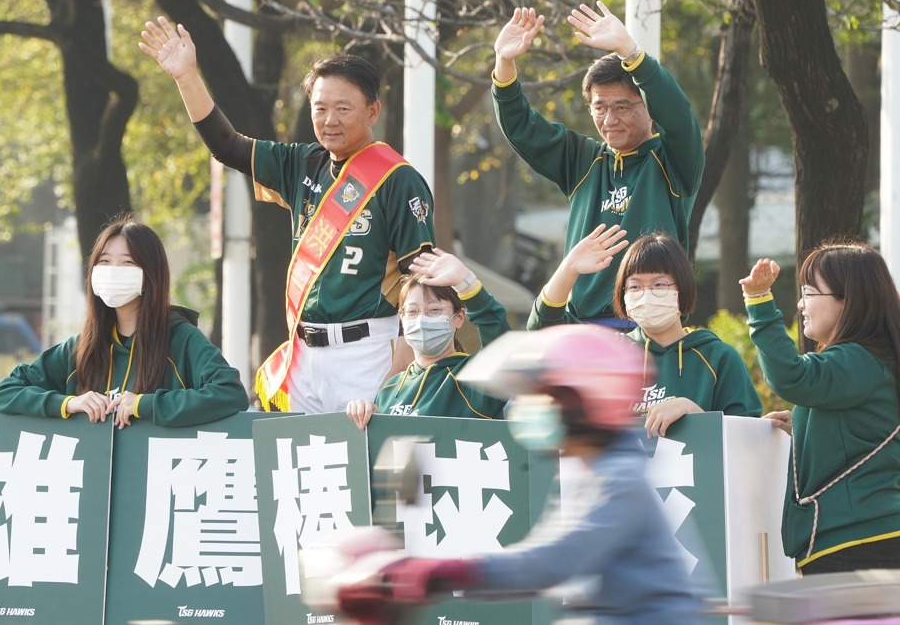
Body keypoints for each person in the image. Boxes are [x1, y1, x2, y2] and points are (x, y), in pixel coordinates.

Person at [140, 17, 435, 415]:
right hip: (304, 354)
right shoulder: (303, 162)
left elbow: (420, 284)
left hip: (368, 356)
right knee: (297, 472)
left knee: (370, 474)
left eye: (343, 108)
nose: (330, 120)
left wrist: (396, 383)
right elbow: (228, 146)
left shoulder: (398, 180)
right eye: (321, 108)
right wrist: (187, 77)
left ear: (372, 111)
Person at [319, 324, 703, 624]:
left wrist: (439, 569)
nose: (532, 408)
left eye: (547, 397)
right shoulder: (592, 473)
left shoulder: (619, 481)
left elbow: (548, 562)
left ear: (586, 402)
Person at [493, 2, 704, 326]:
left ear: (649, 107)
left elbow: (679, 116)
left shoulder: (672, 159)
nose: (609, 119)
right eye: (599, 107)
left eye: (622, 107)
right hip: (583, 329)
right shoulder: (583, 160)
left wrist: (630, 52)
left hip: (651, 326)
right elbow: (522, 127)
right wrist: (505, 62)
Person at [0, 215, 248, 427]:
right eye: (104, 261)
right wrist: (68, 404)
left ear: (150, 275)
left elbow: (230, 393)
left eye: (127, 263)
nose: (113, 271)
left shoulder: (181, 340)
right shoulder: (82, 348)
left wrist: (144, 405)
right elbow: (4, 393)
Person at [740, 243, 900, 574]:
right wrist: (803, 424)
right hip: (867, 537)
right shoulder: (872, 361)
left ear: (848, 301)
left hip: (857, 543)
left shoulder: (856, 360)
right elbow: (858, 434)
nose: (800, 303)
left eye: (810, 292)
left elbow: (790, 376)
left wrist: (759, 302)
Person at [531, 227, 761, 437]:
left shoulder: (719, 358)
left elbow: (746, 442)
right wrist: (568, 268)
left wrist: (694, 413)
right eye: (635, 286)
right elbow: (546, 333)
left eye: (659, 284)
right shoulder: (611, 355)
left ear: (682, 288)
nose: (646, 294)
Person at [344, 249, 509, 428]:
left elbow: (501, 344)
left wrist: (467, 284)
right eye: (412, 311)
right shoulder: (389, 390)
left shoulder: (471, 378)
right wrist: (365, 414)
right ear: (402, 319)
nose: (421, 320)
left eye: (434, 310)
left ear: (459, 318)